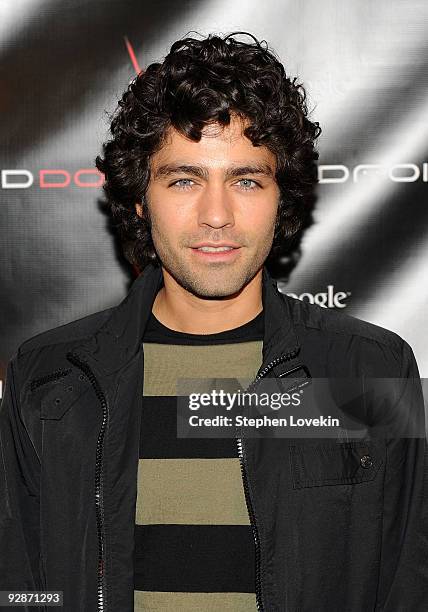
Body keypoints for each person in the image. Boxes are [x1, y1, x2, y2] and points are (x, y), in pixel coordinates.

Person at [0, 31, 426, 612]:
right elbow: (23, 588)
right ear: (139, 198)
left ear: (284, 199)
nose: (217, 215)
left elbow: (406, 583)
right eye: (184, 180)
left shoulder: (370, 370)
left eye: (246, 180)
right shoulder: (51, 379)